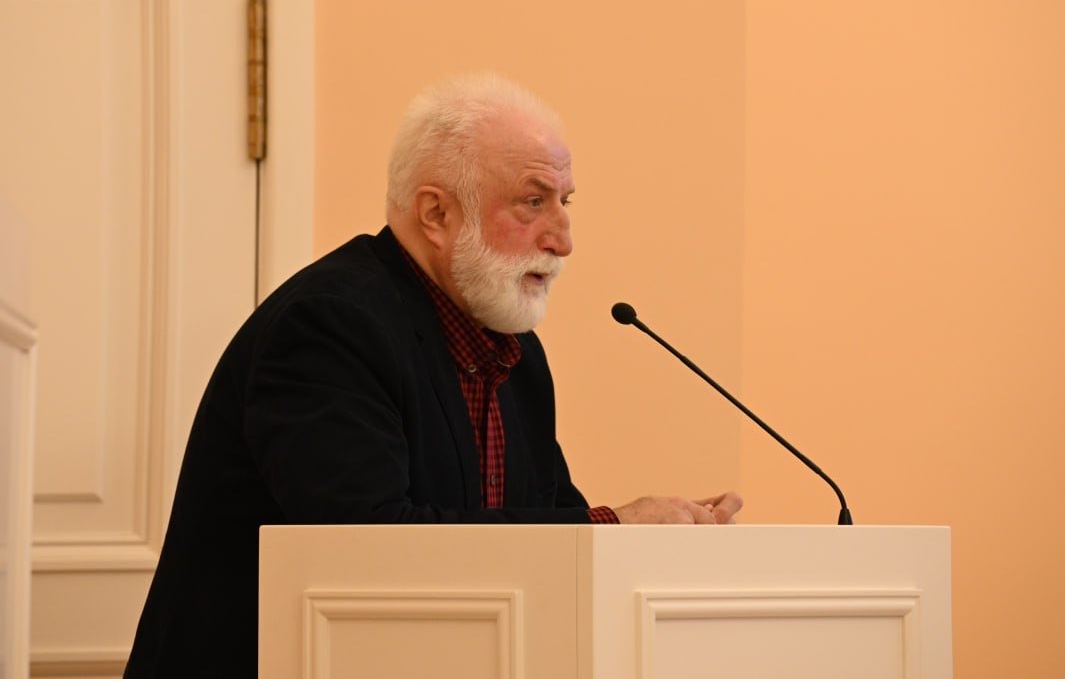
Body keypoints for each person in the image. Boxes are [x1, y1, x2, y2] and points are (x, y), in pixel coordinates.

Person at [122, 73, 742, 677]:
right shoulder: (330, 325)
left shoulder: (514, 353)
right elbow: (368, 543)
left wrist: (659, 543)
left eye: (565, 201)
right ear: (437, 214)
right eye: (533, 201)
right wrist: (616, 524)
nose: (562, 239)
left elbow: (551, 532)